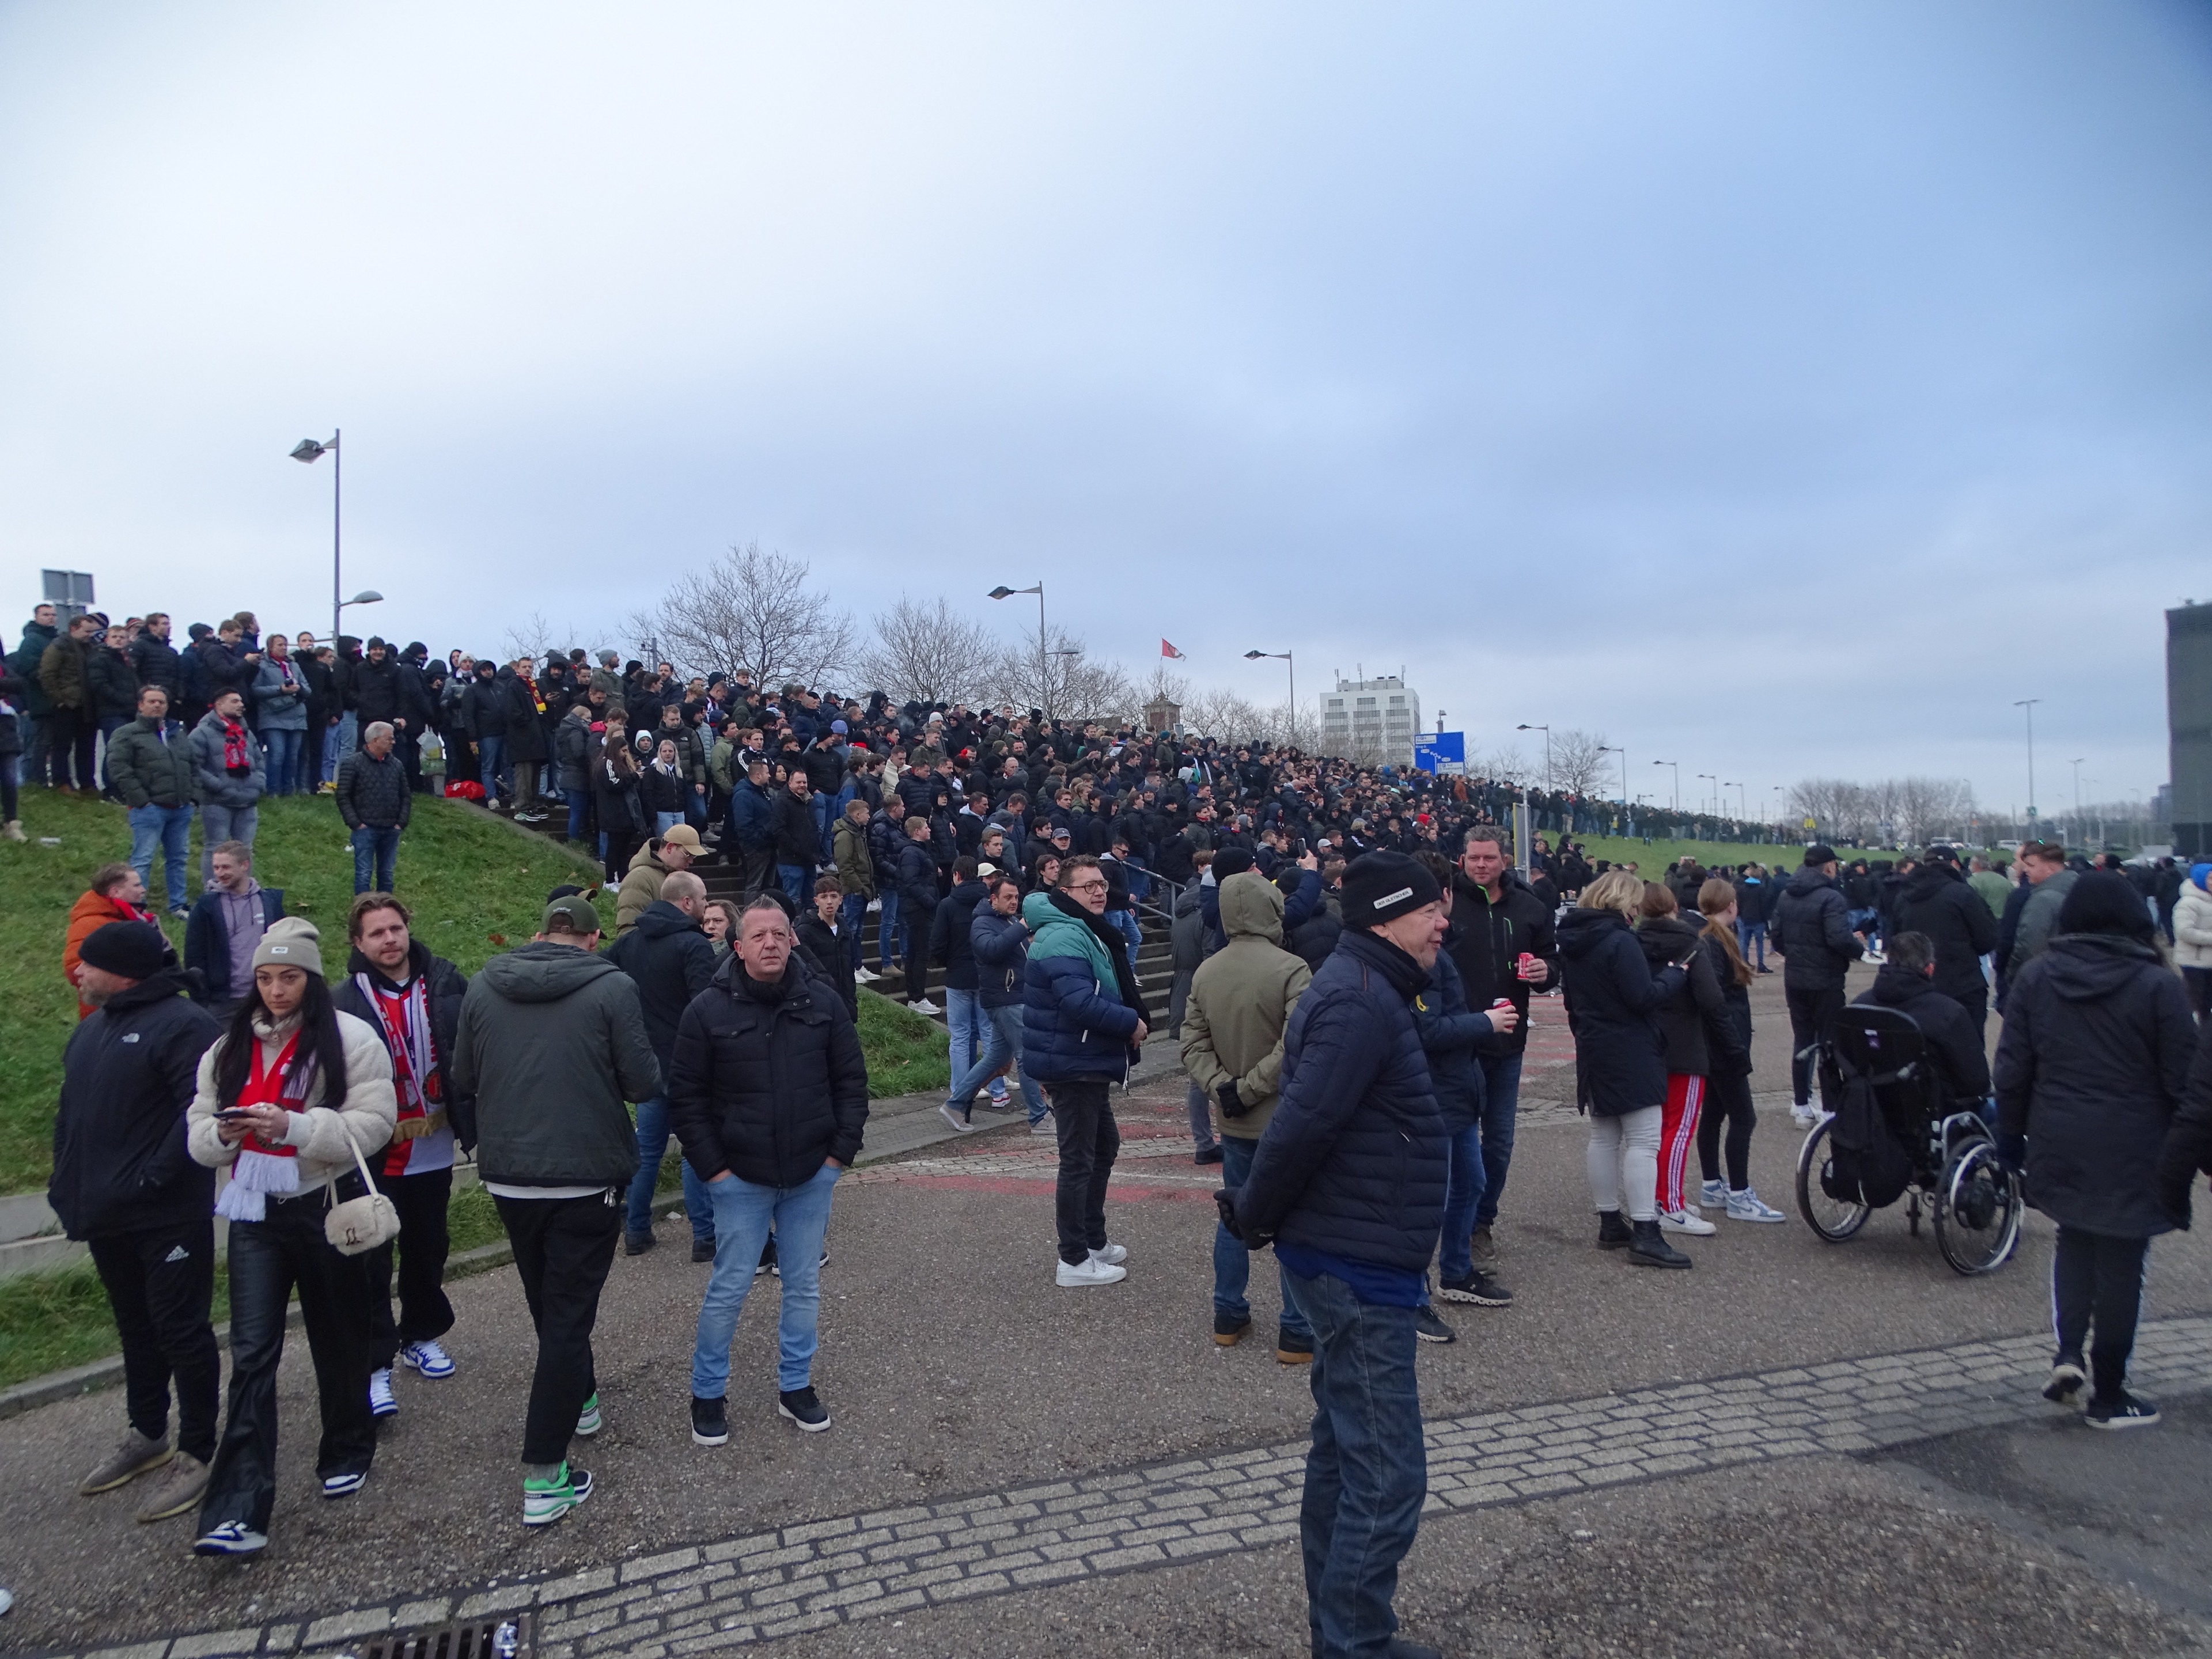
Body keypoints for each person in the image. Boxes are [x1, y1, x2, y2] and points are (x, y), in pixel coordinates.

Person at [1213, 852, 1449, 1659]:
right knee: (1387, 1474)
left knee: (1346, 1454)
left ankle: (1345, 1634)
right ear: (1386, 916)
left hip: (1354, 1251)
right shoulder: (1355, 999)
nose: (1442, 921)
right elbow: (1303, 1122)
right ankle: (1355, 1645)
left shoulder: (1368, 986)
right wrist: (1253, 1216)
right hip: (1354, 1266)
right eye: (1429, 911)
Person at [185, 917, 397, 1556]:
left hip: (322, 1203)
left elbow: (376, 1122)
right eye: (266, 978)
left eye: (290, 977)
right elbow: (195, 1127)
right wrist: (220, 1136)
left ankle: (347, 1446)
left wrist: (298, 1127)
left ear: (310, 978)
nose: (277, 991)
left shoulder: (352, 1038)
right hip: (254, 1210)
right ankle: (239, 1508)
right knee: (252, 1356)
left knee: (339, 1337)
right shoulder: (227, 1048)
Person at [452, 893, 660, 1527]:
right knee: (566, 1318)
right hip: (585, 1173)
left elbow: (463, 1074)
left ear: (540, 934)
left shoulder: (485, 986)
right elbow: (643, 1082)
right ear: (593, 940)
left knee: (549, 1303)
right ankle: (545, 1474)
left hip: (510, 1173)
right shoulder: (613, 988)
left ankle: (583, 1396)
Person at [1997, 872, 2194, 1429]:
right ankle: (2110, 1390)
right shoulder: (2157, 985)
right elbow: (2184, 1078)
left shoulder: (2037, 976)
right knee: (2123, 1262)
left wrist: (2011, 1137)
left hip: (2059, 1132)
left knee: (2075, 1241)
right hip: (2135, 1139)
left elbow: (2012, 1069)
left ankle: (2067, 1354)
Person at [672, 896, 869, 1446]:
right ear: (738, 946)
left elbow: (852, 1084)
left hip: (811, 1174)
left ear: (792, 940)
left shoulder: (823, 1003)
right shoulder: (707, 1012)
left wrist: (837, 1158)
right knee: (729, 1288)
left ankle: (795, 1386)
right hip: (740, 1179)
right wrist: (714, 1172)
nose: (770, 944)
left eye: (779, 935)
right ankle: (707, 1393)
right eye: (758, 936)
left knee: (803, 1286)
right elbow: (686, 1099)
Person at [50, 921, 223, 1527]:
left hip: (166, 1213)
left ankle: (200, 1450)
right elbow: (72, 1117)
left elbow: (198, 1116)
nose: (78, 972)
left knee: (181, 1329)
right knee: (136, 1327)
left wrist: (153, 1179)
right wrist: (63, 1182)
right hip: (105, 1212)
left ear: (122, 970)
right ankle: (148, 1431)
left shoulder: (187, 1026)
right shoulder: (92, 1030)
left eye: (87, 964)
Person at [331, 894, 474, 1418]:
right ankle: (373, 1364)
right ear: (358, 943)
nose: (389, 940)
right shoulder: (343, 999)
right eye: (376, 933)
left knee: (428, 1244)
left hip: (434, 1137)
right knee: (372, 1256)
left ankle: (420, 1333)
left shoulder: (444, 980)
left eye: (396, 928)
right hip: (374, 1148)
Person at [1181, 866, 1319, 1361]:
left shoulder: (1207, 970)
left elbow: (1191, 1041)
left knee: (1233, 1217)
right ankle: (1296, 1329)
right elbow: (1296, 1045)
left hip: (1234, 1117)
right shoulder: (1292, 968)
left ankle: (1229, 1314)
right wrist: (1252, 1087)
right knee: (1295, 1219)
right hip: (1282, 1115)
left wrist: (1223, 1089)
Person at [1556, 868, 1694, 1268]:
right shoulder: (1620, 940)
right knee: (1644, 1141)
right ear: (1622, 901)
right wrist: (1675, 975)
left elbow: (1572, 1000)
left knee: (1604, 1135)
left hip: (1594, 1043)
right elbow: (1642, 997)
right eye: (1633, 902)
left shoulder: (1573, 940)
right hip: (1630, 1045)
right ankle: (1647, 1232)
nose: (1636, 909)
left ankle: (1610, 1220)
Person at [1022, 854, 1149, 1287]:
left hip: (1084, 1059)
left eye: (1101, 884)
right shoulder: (1062, 934)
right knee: (1077, 1161)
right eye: (1088, 886)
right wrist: (1130, 1023)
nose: (1099, 891)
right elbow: (1079, 1003)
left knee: (1103, 1147)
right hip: (1072, 1062)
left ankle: (1093, 1241)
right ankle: (1073, 1261)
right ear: (1065, 892)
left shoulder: (1083, 929)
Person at [1444, 828, 1556, 1266]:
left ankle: (1481, 1223)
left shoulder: (1531, 906)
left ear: (1504, 860)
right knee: (1457, 1138)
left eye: (1489, 858)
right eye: (1473, 858)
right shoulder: (1446, 904)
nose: (1481, 866)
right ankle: (1453, 1221)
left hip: (1507, 1041)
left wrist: (1547, 971)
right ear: (1463, 860)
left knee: (1499, 1141)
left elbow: (1553, 961)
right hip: (1457, 1038)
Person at [605, 870, 721, 1261]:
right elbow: (705, 1008)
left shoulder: (629, 943)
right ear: (686, 902)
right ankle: (704, 1236)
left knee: (647, 1151)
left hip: (645, 1064)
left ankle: (636, 1231)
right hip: (687, 1065)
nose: (707, 907)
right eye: (703, 899)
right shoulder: (694, 946)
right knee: (694, 1149)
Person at [1633, 882, 1740, 1236]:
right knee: (1678, 1131)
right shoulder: (1690, 944)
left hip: (1648, 1046)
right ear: (1675, 908)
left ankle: (1658, 1198)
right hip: (1686, 1046)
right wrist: (1733, 1047)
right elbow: (1712, 1001)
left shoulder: (1632, 942)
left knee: (1652, 1131)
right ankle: (1671, 1205)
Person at [1691, 878, 1783, 1222]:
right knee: (1744, 1117)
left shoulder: (1713, 939)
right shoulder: (1714, 943)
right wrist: (1734, 1047)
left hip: (1718, 1042)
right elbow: (1715, 1002)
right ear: (1731, 906)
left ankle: (1713, 1183)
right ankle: (1740, 1194)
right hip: (1723, 1043)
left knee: (1714, 1114)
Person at [1768, 844, 1866, 1129]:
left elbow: (1776, 937)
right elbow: (1838, 938)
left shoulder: (1787, 894)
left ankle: (1801, 1104)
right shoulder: (1831, 897)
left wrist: (1797, 955)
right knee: (1828, 1042)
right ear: (1829, 866)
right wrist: (1859, 951)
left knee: (1802, 1040)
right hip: (1825, 978)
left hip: (1796, 977)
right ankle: (1830, 1106)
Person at [1850, 931, 1991, 1107]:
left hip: (1871, 1106)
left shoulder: (1858, 1007)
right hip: (1934, 1110)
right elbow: (1977, 1083)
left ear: (1888, 961)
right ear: (1930, 969)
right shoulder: (1948, 1013)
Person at [955, 873, 1050, 1131]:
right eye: (1008, 897)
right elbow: (990, 950)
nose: (1014, 902)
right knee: (1026, 1055)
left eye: (1017, 897)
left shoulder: (1007, 922)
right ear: (993, 899)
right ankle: (1039, 1116)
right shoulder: (983, 923)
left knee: (995, 1058)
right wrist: (1022, 927)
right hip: (1004, 998)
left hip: (1012, 996)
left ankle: (954, 1104)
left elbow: (1020, 955)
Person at [106, 685, 199, 916]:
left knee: (178, 859)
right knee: (143, 860)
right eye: (152, 701)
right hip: (149, 809)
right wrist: (141, 800)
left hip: (181, 807)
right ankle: (135, 908)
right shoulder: (126, 733)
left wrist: (193, 797)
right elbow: (119, 769)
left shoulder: (177, 733)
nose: (157, 705)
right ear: (141, 705)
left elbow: (192, 765)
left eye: (162, 702)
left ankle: (178, 904)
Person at [1892, 845, 2001, 1034]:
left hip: (1916, 984)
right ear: (1954, 864)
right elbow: (1987, 941)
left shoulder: (1903, 897)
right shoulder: (1963, 894)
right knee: (1967, 1049)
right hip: (1962, 985)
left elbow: (1893, 939)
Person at [184, 840, 285, 1017]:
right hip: (222, 1003)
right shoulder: (206, 907)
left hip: (264, 998)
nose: (220, 874)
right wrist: (202, 997)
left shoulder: (269, 902)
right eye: (216, 868)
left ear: (244, 865)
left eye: (226, 867)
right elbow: (194, 957)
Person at [930, 855, 991, 1126]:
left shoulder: (948, 905)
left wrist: (948, 963)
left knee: (960, 1036)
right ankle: (996, 1089)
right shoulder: (988, 902)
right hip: (985, 975)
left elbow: (937, 945)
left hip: (957, 977)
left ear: (956, 876)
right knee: (989, 1034)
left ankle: (960, 1089)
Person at [188, 688, 265, 888]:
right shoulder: (201, 733)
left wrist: (258, 785)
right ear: (219, 705)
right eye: (234, 701)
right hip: (216, 802)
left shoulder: (246, 733)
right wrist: (219, 787)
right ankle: (213, 893)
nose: (241, 705)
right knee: (215, 848)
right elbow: (194, 766)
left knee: (245, 849)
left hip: (248, 800)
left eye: (241, 701)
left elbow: (259, 761)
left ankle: (243, 891)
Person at [65, 862, 160, 1019]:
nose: (143, 890)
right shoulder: (89, 924)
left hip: (134, 1008)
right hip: (104, 1013)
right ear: (115, 891)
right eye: (136, 886)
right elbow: (73, 969)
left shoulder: (132, 918)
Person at [1996, 839, 2076, 1003]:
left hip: (2044, 984)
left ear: (2050, 868)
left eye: (2031, 866)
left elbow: (2029, 946)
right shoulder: (2080, 889)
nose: (2025, 870)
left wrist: (2011, 977)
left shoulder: (2043, 900)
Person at [335, 721, 411, 895]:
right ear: (375, 740)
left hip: (391, 829)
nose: (393, 742)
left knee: (387, 875)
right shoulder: (353, 763)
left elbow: (406, 795)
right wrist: (356, 824)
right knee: (363, 874)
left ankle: (387, 911)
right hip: (365, 830)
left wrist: (401, 823)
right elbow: (343, 795)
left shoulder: (397, 765)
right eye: (389, 739)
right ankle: (362, 913)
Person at [38, 611, 101, 793]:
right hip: (67, 704)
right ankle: (62, 782)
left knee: (87, 746)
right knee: (62, 746)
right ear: (74, 628)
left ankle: (87, 783)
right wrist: (60, 699)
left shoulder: (92, 648)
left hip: (87, 704)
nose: (90, 636)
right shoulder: (59, 646)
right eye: (87, 632)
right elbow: (47, 674)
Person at [615, 823, 703, 935]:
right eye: (687, 854)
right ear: (670, 847)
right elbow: (628, 929)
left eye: (693, 856)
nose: (691, 861)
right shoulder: (639, 877)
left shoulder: (680, 877)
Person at [893, 815, 943, 1014]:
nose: (929, 830)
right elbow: (911, 882)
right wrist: (930, 902)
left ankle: (916, 997)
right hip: (918, 909)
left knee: (916, 954)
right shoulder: (911, 853)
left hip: (918, 907)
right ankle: (917, 997)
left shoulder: (919, 851)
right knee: (920, 954)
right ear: (917, 831)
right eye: (926, 827)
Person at [252, 634, 311, 797]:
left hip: (296, 716)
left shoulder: (294, 665)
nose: (284, 648)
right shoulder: (263, 666)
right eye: (279, 645)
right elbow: (256, 690)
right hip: (272, 716)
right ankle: (273, 791)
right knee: (277, 754)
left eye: (285, 645)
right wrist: (280, 689)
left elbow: (308, 688)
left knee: (293, 757)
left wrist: (299, 689)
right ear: (270, 647)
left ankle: (288, 791)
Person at [796, 875, 859, 1018]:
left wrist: (851, 1001)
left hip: (845, 1003)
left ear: (841, 900)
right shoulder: (805, 932)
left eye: (833, 896)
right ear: (816, 901)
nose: (829, 902)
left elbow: (849, 969)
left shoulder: (845, 929)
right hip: (818, 1004)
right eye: (824, 897)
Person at [2177, 863, 2212, 1021]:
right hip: (2195, 962)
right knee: (2199, 1005)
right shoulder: (2188, 903)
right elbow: (2184, 931)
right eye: (2210, 878)